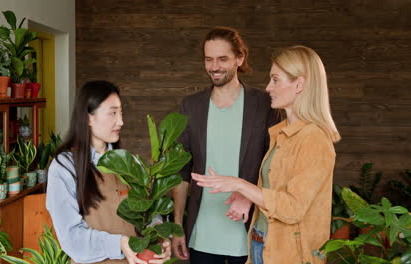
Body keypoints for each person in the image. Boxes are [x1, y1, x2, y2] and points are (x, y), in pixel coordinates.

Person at [192, 45, 341, 264]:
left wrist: (240, 185)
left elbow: (293, 208)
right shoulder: (281, 133)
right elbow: (276, 190)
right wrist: (248, 196)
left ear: (299, 84)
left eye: (276, 80)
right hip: (262, 242)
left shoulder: (314, 139)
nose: (268, 87)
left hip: (287, 254)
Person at [171, 27, 278, 264]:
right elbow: (182, 172)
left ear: (240, 58)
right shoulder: (191, 106)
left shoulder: (264, 104)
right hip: (202, 235)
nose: (214, 67)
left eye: (222, 59)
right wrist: (177, 225)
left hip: (250, 232)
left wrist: (250, 196)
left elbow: (275, 164)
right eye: (209, 60)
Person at [46, 81, 171, 264]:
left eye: (121, 112)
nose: (121, 121)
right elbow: (72, 238)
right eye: (112, 113)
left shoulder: (130, 163)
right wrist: (119, 243)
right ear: (88, 118)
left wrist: (159, 235)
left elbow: (149, 212)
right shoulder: (64, 168)